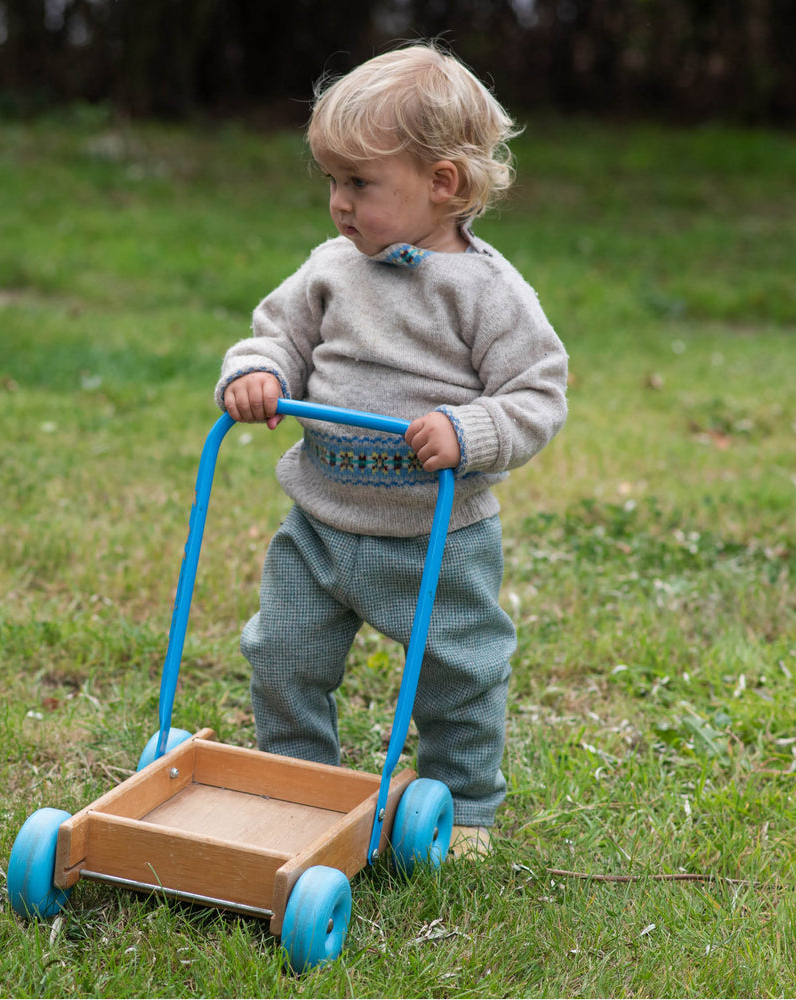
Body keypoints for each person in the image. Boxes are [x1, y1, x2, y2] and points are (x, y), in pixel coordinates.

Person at [215, 43, 568, 859]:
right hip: (322, 522)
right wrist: (258, 373)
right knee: (283, 656)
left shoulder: (489, 291)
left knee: (459, 673)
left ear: (442, 183)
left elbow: (537, 394)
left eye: (359, 184)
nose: (338, 204)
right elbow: (276, 336)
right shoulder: (330, 268)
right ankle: (297, 784)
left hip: (436, 537)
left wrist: (470, 431)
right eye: (332, 182)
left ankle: (464, 803)